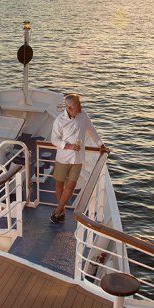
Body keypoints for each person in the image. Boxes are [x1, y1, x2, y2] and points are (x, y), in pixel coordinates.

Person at [49, 93, 108, 224]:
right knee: (59, 183)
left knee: (71, 185)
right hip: (63, 158)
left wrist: (101, 145)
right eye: (77, 106)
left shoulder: (83, 115)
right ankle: (62, 211)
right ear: (69, 108)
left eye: (80, 104)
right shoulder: (59, 120)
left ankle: (57, 211)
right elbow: (54, 139)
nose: (80, 107)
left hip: (78, 159)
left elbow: (91, 130)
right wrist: (68, 146)